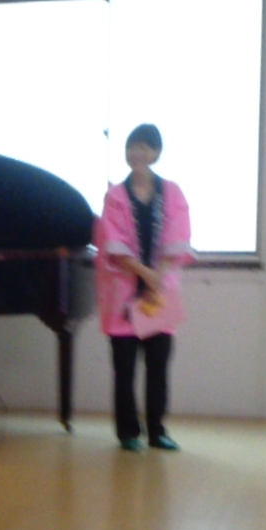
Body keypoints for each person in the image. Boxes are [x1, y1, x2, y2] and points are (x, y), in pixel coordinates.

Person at [94, 123, 194, 452]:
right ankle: (127, 433)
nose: (137, 153)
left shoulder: (173, 193)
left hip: (158, 293)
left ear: (156, 153)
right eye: (132, 147)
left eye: (144, 147)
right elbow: (112, 241)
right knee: (124, 369)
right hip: (123, 293)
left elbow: (178, 236)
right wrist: (142, 272)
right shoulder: (115, 196)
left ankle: (157, 431)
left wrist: (156, 277)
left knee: (158, 366)